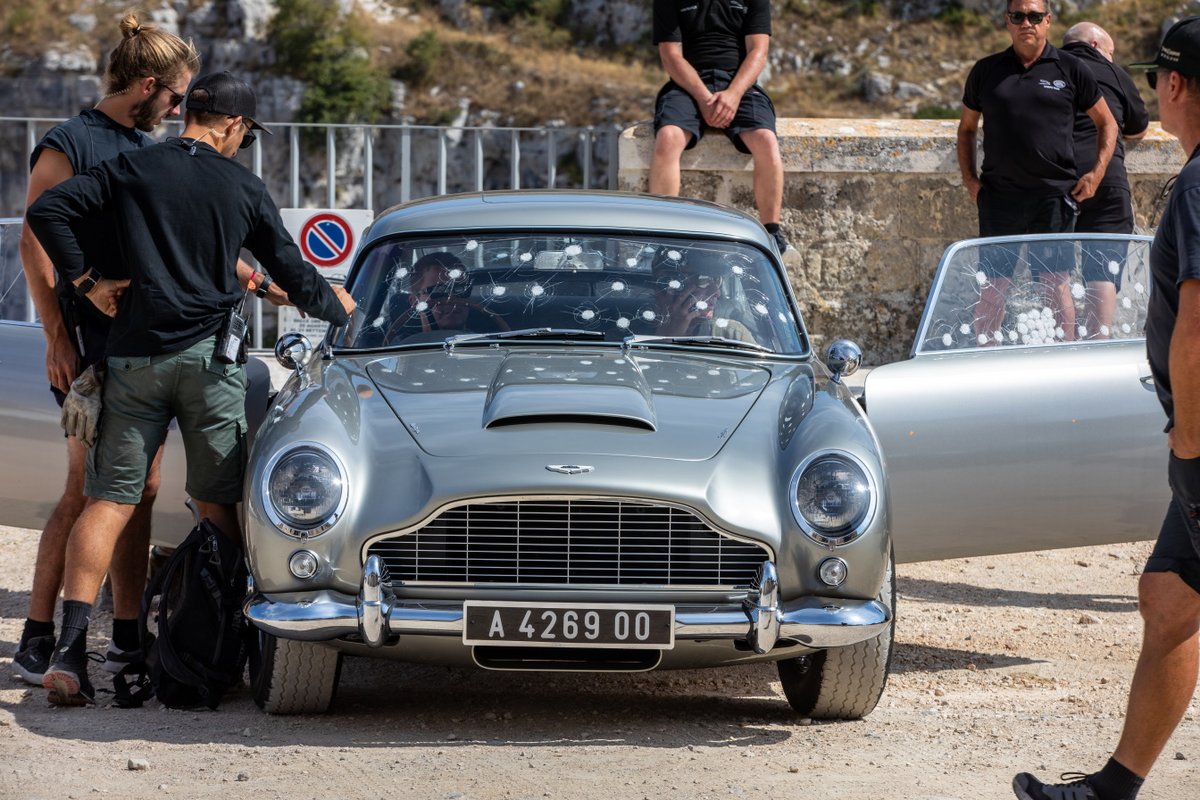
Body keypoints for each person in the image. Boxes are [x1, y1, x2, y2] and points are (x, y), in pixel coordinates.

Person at [25, 71, 356, 706]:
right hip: (210, 366)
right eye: (246, 135)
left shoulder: (135, 167)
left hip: (135, 360)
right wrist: (347, 312)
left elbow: (47, 210)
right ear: (234, 125)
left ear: (190, 115)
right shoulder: (241, 186)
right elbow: (292, 273)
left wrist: (88, 282)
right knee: (216, 504)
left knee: (108, 502)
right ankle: (212, 647)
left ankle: (68, 652)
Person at [1012, 17, 1200, 800]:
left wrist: (1189, 446)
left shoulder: (1199, 186)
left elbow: (1196, 332)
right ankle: (1113, 789)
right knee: (1169, 596)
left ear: (1176, 85)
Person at [11, 13, 201, 690]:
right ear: (146, 84)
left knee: (140, 490)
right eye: (175, 97)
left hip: (135, 345)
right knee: (85, 489)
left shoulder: (141, 146)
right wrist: (57, 334)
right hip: (86, 348)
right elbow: (34, 238)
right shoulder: (71, 142)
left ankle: (124, 634)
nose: (178, 111)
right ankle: (37, 639)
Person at [957, 0, 1118, 344]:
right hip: (1000, 196)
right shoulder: (986, 71)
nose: (1025, 23)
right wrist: (970, 180)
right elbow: (967, 129)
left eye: (1033, 16)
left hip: (1054, 196)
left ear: (1047, 21)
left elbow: (1108, 123)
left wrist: (1096, 174)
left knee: (1055, 282)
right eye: (1018, 16)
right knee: (993, 284)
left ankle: (1063, 361)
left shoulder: (1071, 68)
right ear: (1007, 22)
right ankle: (983, 360)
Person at [649, 0, 788, 253]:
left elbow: (758, 51)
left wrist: (733, 94)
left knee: (766, 140)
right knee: (668, 137)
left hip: (739, 83)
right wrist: (704, 98)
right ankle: (663, 232)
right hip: (687, 84)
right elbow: (670, 55)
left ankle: (772, 233)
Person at [1061, 21, 1150, 339]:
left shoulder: (1047, 66)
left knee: (1054, 272)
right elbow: (1138, 127)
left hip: (1056, 177)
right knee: (1103, 267)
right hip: (1106, 175)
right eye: (1111, 52)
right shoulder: (1112, 72)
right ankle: (1096, 346)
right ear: (1096, 45)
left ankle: (1061, 352)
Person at [385, 252, 507, 341]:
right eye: (438, 291)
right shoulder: (398, 350)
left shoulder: (492, 344)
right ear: (415, 302)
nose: (451, 299)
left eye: (460, 290)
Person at [650, 247, 757, 342]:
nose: (717, 293)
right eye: (703, 280)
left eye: (717, 280)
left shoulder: (732, 335)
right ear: (669, 284)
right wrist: (668, 338)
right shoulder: (634, 332)